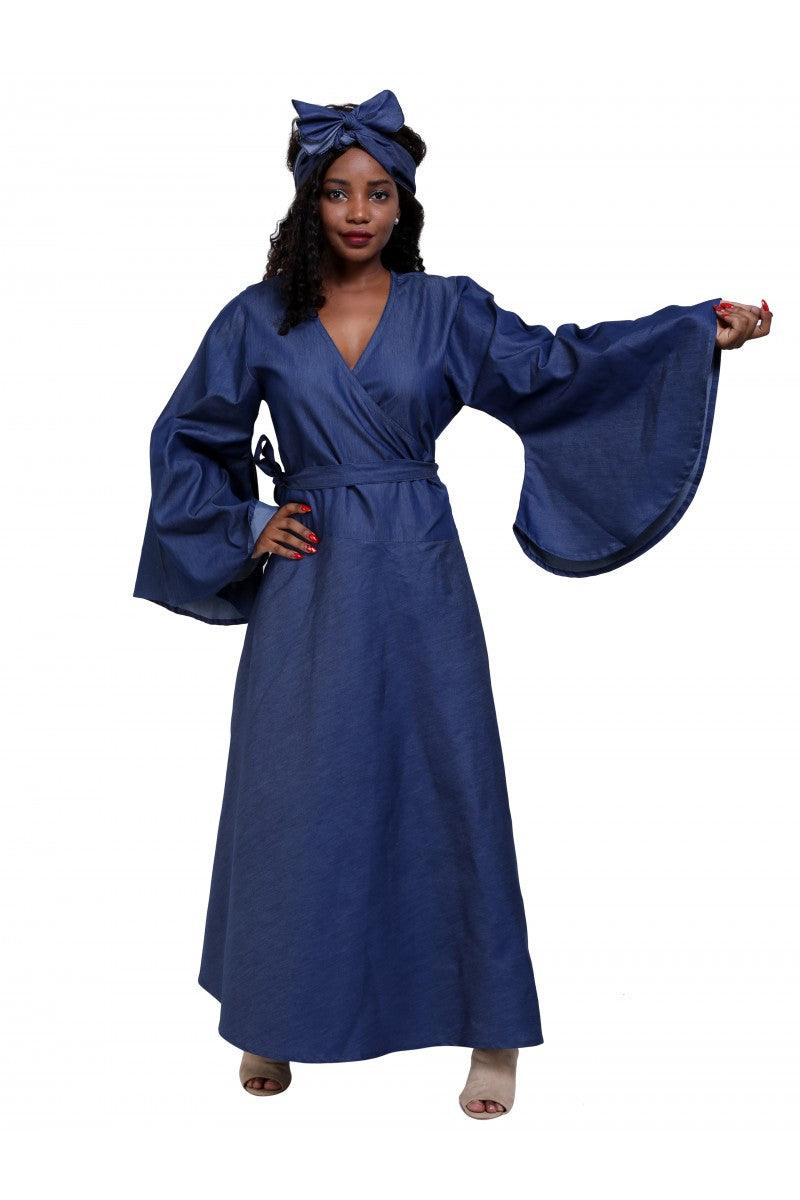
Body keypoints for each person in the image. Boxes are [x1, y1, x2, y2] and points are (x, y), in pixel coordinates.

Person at [133, 89, 771, 1119]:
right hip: (309, 584)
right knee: (292, 792)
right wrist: (248, 522)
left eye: (378, 193)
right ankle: (274, 1012)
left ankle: (491, 1030)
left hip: (417, 575)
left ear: (404, 203)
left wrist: (694, 333)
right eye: (338, 192)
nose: (359, 212)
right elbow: (185, 441)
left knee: (447, 786)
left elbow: (557, 366)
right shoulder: (258, 316)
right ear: (307, 200)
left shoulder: (447, 310)